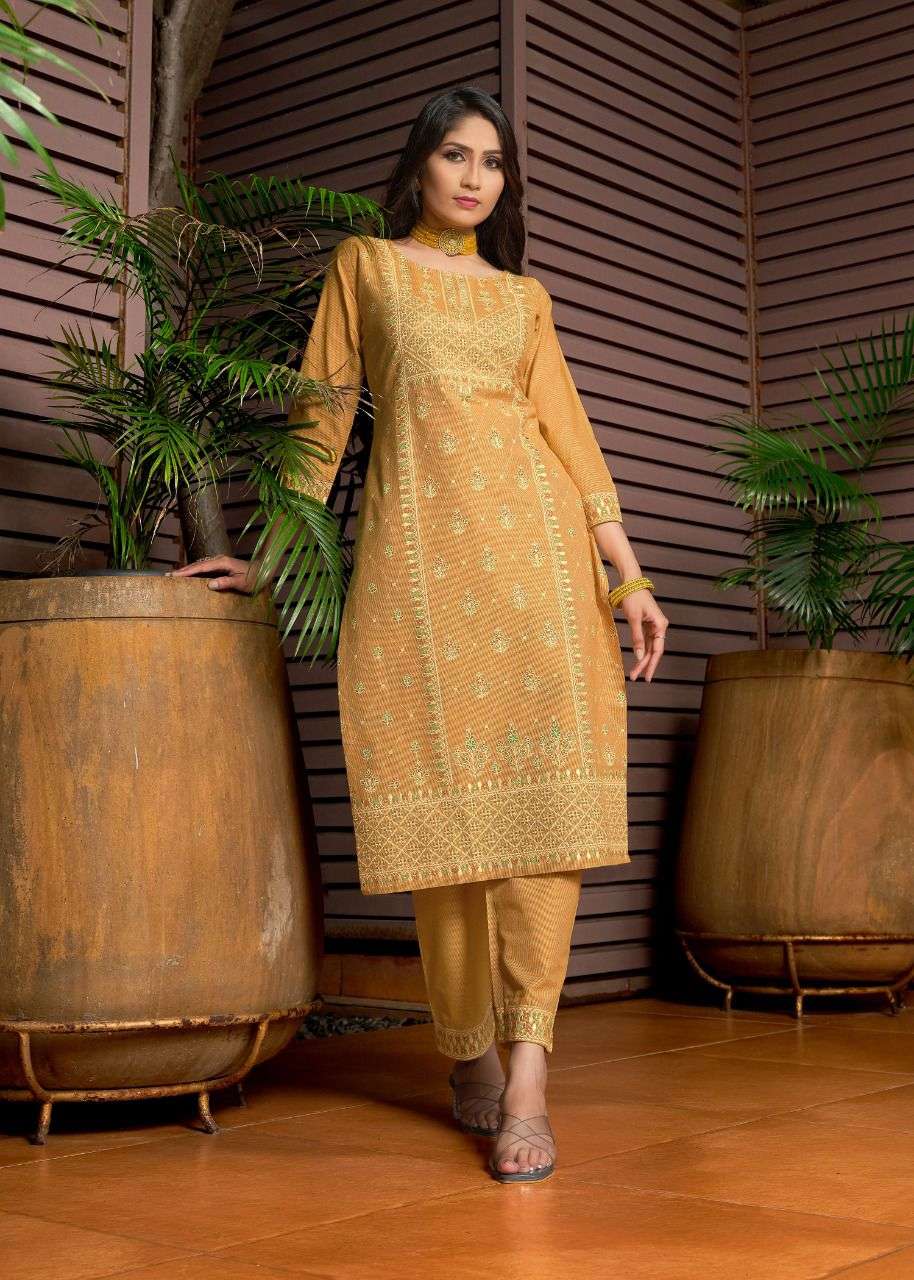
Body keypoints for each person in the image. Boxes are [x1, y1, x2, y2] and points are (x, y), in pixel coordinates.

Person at [171, 85, 668, 1182]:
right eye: (455, 154)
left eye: (492, 161)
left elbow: (568, 432)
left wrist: (626, 573)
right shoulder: (367, 267)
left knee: (543, 831)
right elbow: (322, 415)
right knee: (449, 824)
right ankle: (467, 1046)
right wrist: (274, 555)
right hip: (422, 570)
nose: (474, 177)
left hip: (541, 568)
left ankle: (526, 1076)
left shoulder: (525, 299)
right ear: (419, 165)